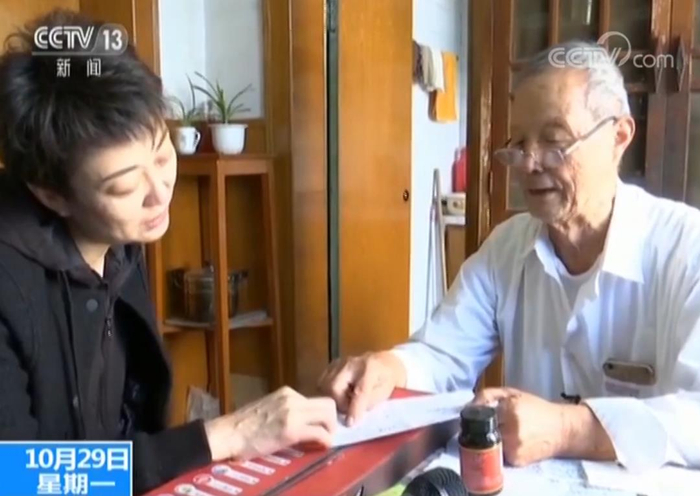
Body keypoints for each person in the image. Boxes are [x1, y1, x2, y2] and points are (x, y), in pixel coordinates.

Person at [319, 40, 700, 471]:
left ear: (619, 137)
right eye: (519, 144)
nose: (529, 164)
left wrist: (570, 429)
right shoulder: (507, 248)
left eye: (554, 141)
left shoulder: (686, 249)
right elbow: (443, 354)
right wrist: (390, 367)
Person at [0, 9, 336, 494]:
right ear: (51, 194)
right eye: (124, 186)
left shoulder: (118, 240)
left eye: (162, 155)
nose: (160, 193)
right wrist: (224, 435)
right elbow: (17, 475)